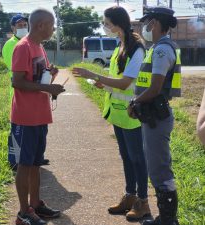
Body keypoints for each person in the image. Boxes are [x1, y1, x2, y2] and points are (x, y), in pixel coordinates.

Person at [72, 6, 150, 221]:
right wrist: (102, 84)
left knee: (137, 159)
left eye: (106, 23)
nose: (104, 27)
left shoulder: (137, 48)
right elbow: (117, 80)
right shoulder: (120, 46)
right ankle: (129, 196)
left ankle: (143, 202)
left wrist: (93, 74)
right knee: (126, 157)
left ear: (117, 23)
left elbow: (126, 82)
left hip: (132, 114)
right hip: (118, 113)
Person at [128, 7, 181, 225]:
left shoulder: (161, 50)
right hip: (153, 115)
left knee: (159, 168)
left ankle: (168, 220)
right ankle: (165, 218)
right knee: (156, 165)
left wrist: (135, 102)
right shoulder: (158, 47)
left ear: (156, 24)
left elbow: (155, 87)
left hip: (156, 117)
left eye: (147, 23)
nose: (145, 27)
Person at [11, 8, 65, 225]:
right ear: (41, 25)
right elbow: (17, 81)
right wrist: (49, 90)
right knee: (24, 164)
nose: (54, 29)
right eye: (52, 25)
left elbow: (36, 75)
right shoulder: (23, 47)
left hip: (39, 115)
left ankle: (36, 204)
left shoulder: (39, 47)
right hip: (25, 116)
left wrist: (49, 74)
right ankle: (24, 213)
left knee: (35, 163)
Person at [3, 14, 50, 170]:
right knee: (18, 134)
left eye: (24, 24)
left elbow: (39, 69)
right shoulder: (14, 46)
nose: (22, 27)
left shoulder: (38, 45)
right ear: (12, 28)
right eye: (19, 25)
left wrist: (48, 74)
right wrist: (45, 86)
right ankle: (14, 160)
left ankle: (32, 158)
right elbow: (19, 74)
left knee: (33, 143)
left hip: (37, 97)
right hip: (20, 95)